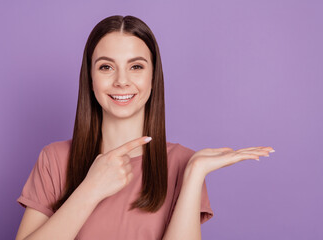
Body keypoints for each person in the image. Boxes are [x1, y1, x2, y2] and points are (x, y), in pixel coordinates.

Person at [15, 15, 274, 240]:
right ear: (90, 79)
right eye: (106, 67)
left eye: (136, 66)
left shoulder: (183, 163)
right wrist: (91, 189)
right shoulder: (55, 159)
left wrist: (195, 172)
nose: (121, 81)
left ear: (153, 78)